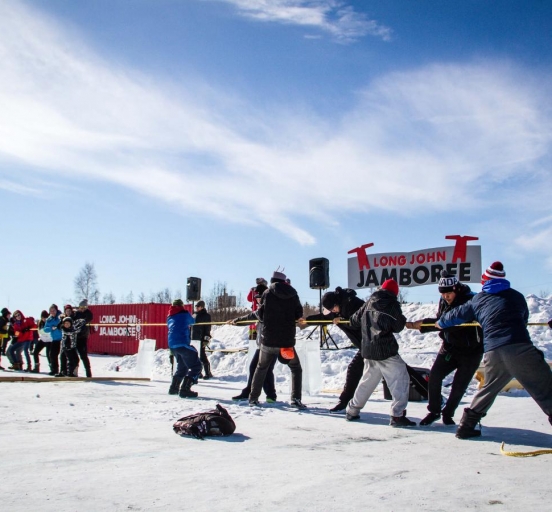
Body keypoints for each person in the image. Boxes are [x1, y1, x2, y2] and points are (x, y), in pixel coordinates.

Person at [437, 261, 552, 439]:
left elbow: (455, 315)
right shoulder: (516, 297)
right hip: (517, 347)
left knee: (489, 387)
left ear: (485, 282)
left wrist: (440, 322)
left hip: (493, 351)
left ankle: (466, 426)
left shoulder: (478, 299)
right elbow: (523, 320)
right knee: (544, 384)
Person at [406, 271, 483, 426]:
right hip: (449, 348)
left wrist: (423, 325)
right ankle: (434, 411)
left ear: (456, 289)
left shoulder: (470, 300)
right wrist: (422, 324)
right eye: (443, 294)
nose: (446, 297)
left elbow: (450, 324)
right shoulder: (444, 300)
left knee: (459, 386)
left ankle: (448, 413)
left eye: (449, 293)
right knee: (434, 377)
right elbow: (441, 320)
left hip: (471, 351)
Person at [345, 279, 416, 427]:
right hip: (385, 350)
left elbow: (354, 320)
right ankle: (397, 416)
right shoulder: (392, 304)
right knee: (400, 380)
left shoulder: (370, 301)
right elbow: (397, 326)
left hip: (368, 350)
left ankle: (352, 410)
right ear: (395, 292)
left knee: (367, 382)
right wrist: (402, 319)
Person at [298, 286, 365, 413]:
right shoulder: (338, 309)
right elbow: (324, 318)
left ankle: (347, 403)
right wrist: (307, 320)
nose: (333, 312)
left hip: (373, 345)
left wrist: (345, 321)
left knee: (394, 372)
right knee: (356, 371)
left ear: (336, 303)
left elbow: (362, 321)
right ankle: (344, 402)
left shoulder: (353, 304)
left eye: (333, 309)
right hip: (365, 346)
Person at [249, 270, 306, 409]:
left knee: (261, 368)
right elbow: (299, 313)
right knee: (295, 368)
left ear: (273, 280)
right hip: (286, 342)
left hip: (268, 339)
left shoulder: (267, 293)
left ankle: (253, 398)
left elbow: (260, 315)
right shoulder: (293, 293)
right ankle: (296, 399)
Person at [228, 283, 277, 402]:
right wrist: (236, 321)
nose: (258, 300)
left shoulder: (267, 308)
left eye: (259, 297)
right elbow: (251, 318)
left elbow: (250, 317)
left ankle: (268, 395)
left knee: (262, 369)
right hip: (264, 344)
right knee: (257, 368)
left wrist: (237, 321)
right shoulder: (265, 307)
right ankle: (265, 394)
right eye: (256, 298)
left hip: (271, 344)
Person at [167, 299, 203, 398]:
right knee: (197, 366)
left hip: (172, 345)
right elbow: (192, 321)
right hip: (182, 344)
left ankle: (174, 388)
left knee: (182, 367)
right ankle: (185, 389)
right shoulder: (184, 313)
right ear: (181, 306)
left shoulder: (169, 316)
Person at [191, 300, 213, 379]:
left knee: (202, 356)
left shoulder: (206, 316)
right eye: (196, 306)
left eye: (198, 306)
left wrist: (206, 339)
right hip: (194, 339)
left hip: (201, 338)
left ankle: (208, 372)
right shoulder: (193, 315)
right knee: (195, 356)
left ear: (202, 307)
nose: (196, 308)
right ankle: (198, 372)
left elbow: (208, 328)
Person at [73, 300, 93, 378]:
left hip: (83, 336)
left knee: (83, 355)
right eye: (81, 307)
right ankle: (74, 370)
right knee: (74, 355)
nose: (82, 309)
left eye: (84, 307)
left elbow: (88, 319)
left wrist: (81, 322)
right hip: (75, 336)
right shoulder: (77, 313)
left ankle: (88, 372)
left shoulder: (88, 313)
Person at [43, 304, 63, 375]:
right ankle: (54, 369)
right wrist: (51, 328)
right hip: (55, 339)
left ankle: (63, 370)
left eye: (53, 310)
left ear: (56, 310)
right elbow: (45, 329)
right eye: (51, 311)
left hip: (62, 338)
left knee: (63, 355)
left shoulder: (60, 317)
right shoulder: (49, 319)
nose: (52, 312)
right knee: (52, 354)